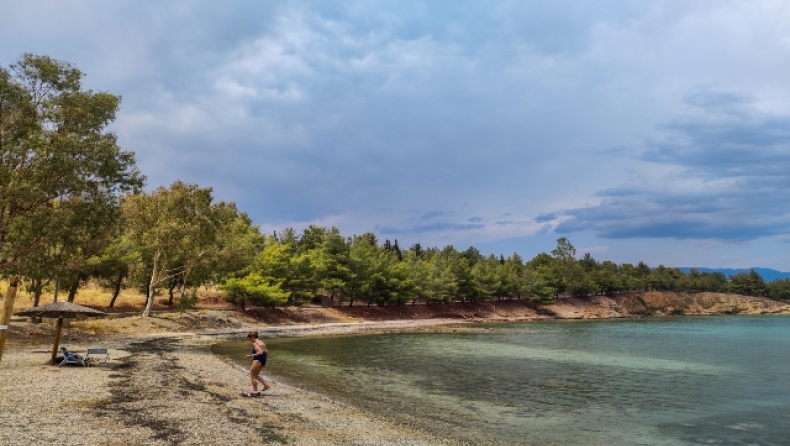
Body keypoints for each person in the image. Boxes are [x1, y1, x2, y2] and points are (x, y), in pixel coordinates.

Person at [243, 331, 271, 397]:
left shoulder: (255, 343)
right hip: (262, 360)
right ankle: (266, 386)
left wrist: (251, 355)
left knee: (252, 375)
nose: (250, 340)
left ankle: (255, 392)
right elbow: (266, 352)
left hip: (258, 360)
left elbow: (260, 352)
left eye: (249, 339)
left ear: (252, 337)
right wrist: (264, 361)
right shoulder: (262, 342)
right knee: (256, 375)